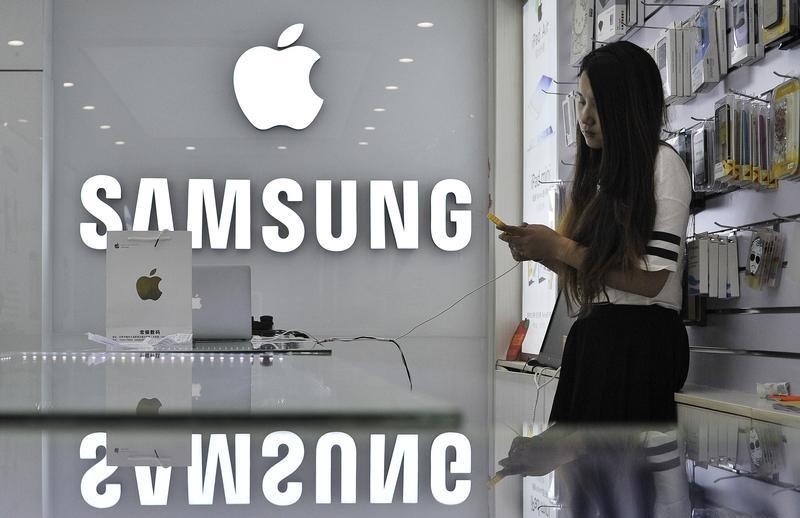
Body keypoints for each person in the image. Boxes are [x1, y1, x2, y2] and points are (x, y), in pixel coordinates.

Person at [496, 41, 692, 517]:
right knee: (585, 493)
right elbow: (602, 279)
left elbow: (651, 283)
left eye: (598, 103)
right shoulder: (601, 180)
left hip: (639, 346)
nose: (586, 116)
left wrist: (559, 248)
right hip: (597, 345)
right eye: (581, 101)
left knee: (625, 490)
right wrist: (545, 255)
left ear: (629, 105)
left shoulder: (662, 166)